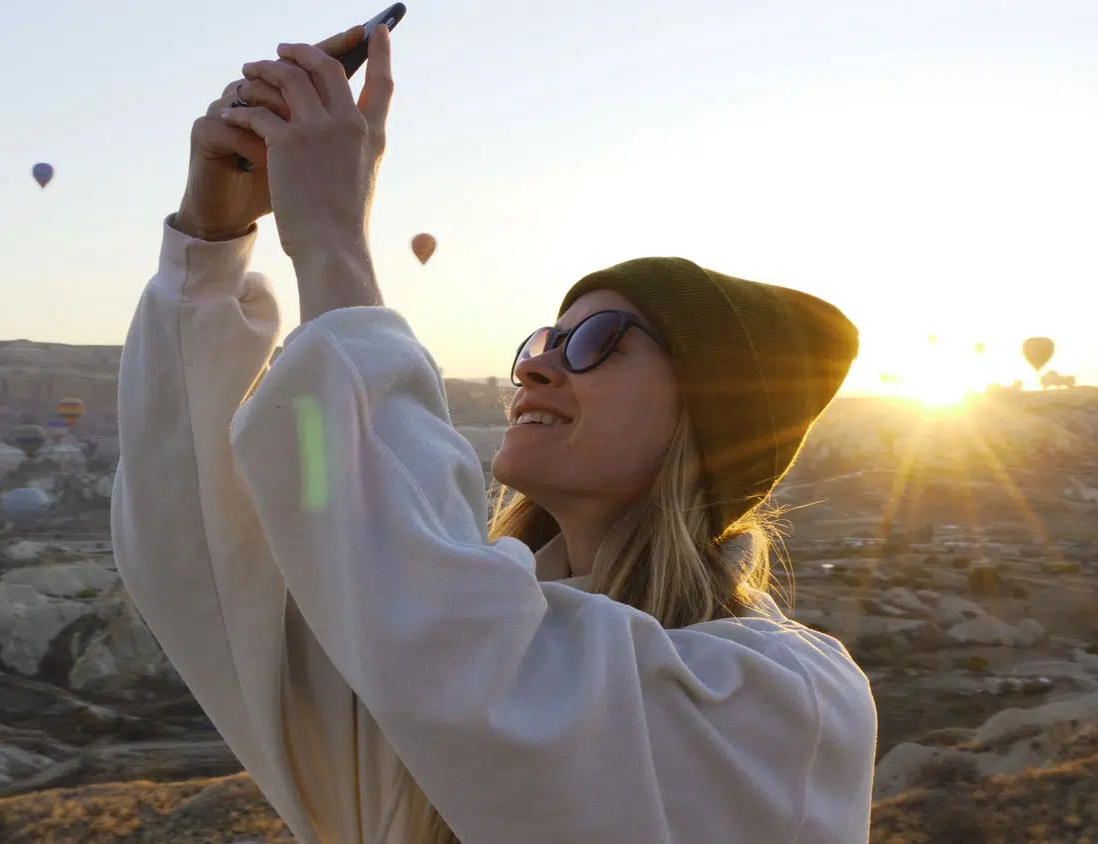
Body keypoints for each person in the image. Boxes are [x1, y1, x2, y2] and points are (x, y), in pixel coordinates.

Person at [113, 23, 877, 844]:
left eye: (595, 341)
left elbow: (461, 644)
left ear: (706, 418)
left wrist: (333, 243)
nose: (538, 370)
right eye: (541, 343)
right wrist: (210, 247)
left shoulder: (786, 697)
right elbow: (206, 545)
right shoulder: (418, 681)